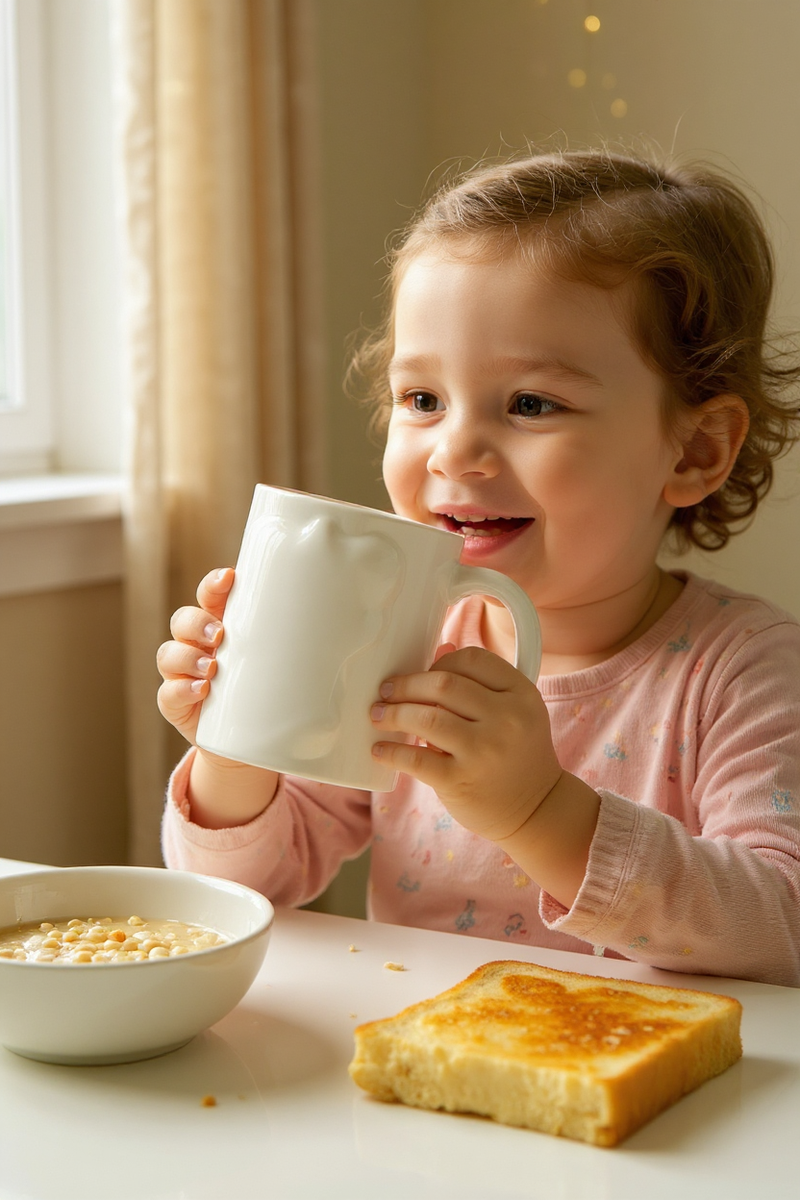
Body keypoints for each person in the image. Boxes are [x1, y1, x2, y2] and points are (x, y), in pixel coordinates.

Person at [157, 149, 800, 987]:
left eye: (531, 403)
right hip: (418, 1051)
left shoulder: (743, 671)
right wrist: (235, 746)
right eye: (422, 400)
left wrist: (541, 812)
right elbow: (243, 893)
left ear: (696, 451)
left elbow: (782, 925)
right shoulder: (398, 645)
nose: (453, 451)